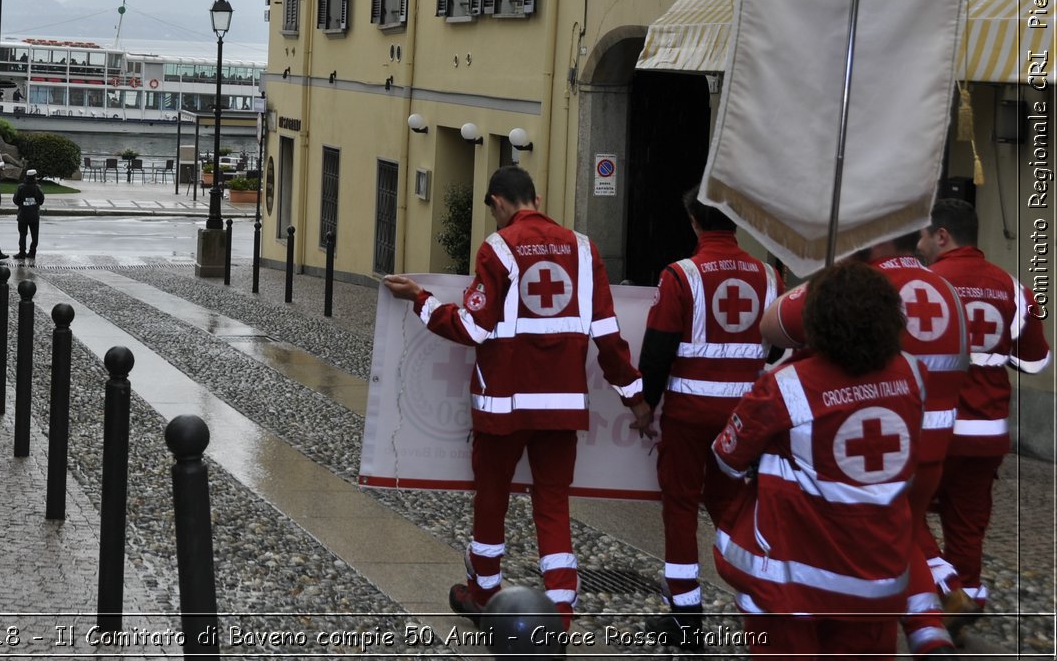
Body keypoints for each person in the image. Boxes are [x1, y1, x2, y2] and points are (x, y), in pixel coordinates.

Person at [383, 166, 650, 627]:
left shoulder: (499, 248)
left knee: (492, 497)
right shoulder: (584, 250)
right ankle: (562, 611)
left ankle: (483, 594)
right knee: (553, 503)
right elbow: (607, 334)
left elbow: (472, 326)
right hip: (562, 407)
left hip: (502, 407)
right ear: (537, 197)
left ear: (497, 202)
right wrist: (636, 397)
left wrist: (420, 299)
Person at [764, 233, 968, 657]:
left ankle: (915, 624)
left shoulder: (858, 286)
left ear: (870, 239)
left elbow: (771, 326)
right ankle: (938, 604)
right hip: (931, 433)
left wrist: (824, 279)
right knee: (903, 527)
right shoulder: (944, 285)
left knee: (881, 532)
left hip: (869, 431)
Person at [713, 260, 924, 657]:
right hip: (876, 580)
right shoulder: (912, 373)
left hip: (793, 581)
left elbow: (728, 456)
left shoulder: (787, 384)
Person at [637, 188, 778, 650]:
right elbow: (777, 346)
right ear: (737, 222)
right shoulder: (769, 276)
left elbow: (658, 349)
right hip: (748, 416)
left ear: (695, 223)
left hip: (690, 413)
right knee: (734, 507)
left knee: (680, 505)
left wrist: (646, 403)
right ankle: (763, 597)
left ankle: (686, 618)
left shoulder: (681, 275)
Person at [916, 198, 1051, 636]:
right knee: (968, 523)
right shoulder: (1014, 289)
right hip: (989, 432)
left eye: (923, 235)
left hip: (935, 428)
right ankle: (967, 602)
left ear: (943, 235)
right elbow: (1035, 363)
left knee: (903, 510)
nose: (919, 245)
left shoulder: (924, 284)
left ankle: (944, 588)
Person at [13, 168, 45, 263]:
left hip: (23, 215)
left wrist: (22, 204)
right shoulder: (37, 188)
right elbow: (42, 200)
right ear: (34, 177)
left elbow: (15, 200)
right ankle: (32, 252)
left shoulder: (21, 187)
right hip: (34, 216)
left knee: (22, 235)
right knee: (35, 236)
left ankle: (22, 253)